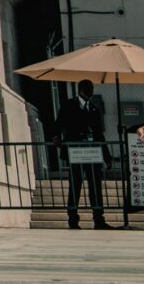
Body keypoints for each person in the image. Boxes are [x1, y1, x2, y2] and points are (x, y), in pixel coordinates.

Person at [55, 79, 112, 229]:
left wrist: (107, 156)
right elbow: (59, 123)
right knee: (75, 185)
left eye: (91, 88)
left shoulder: (93, 108)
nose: (90, 91)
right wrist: (56, 138)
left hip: (93, 153)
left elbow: (99, 134)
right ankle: (73, 219)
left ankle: (99, 219)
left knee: (95, 186)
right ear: (80, 90)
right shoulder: (69, 105)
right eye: (88, 88)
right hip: (76, 152)